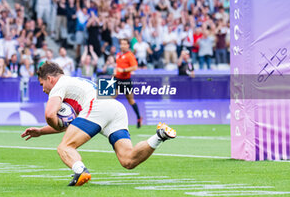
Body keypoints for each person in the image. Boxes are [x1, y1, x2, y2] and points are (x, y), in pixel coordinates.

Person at [21, 61, 176, 186]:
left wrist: (53, 124)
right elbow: (69, 124)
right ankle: (159, 136)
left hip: (96, 107)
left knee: (64, 147)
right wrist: (41, 131)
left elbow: (50, 114)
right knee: (128, 160)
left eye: (42, 85)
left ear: (50, 79)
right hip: (114, 107)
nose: (43, 90)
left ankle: (81, 171)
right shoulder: (75, 83)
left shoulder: (59, 85)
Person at [115, 39, 142, 128]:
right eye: (121, 44)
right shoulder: (118, 54)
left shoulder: (130, 55)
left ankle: (139, 117)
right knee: (110, 99)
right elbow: (117, 66)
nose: (122, 45)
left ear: (128, 46)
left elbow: (134, 67)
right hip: (117, 80)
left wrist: (123, 70)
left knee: (130, 100)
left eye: (124, 44)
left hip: (126, 80)